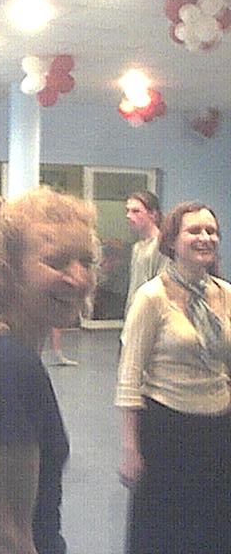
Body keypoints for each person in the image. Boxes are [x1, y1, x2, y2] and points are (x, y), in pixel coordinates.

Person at [0, 187, 98, 554]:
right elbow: (9, 536)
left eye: (86, 261)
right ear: (7, 271)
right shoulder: (8, 366)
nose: (79, 278)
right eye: (57, 262)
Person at [116, 201, 231, 554]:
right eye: (194, 230)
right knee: (164, 531)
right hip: (167, 430)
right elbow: (129, 377)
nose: (205, 237)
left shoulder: (226, 294)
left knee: (215, 526)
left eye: (211, 231)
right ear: (172, 241)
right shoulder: (152, 297)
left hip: (219, 428)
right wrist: (131, 449)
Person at [124, 190, 168, 316]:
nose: (128, 216)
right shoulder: (137, 247)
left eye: (135, 211)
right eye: (128, 210)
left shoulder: (162, 246)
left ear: (153, 214)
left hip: (152, 315)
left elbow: (162, 288)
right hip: (134, 314)